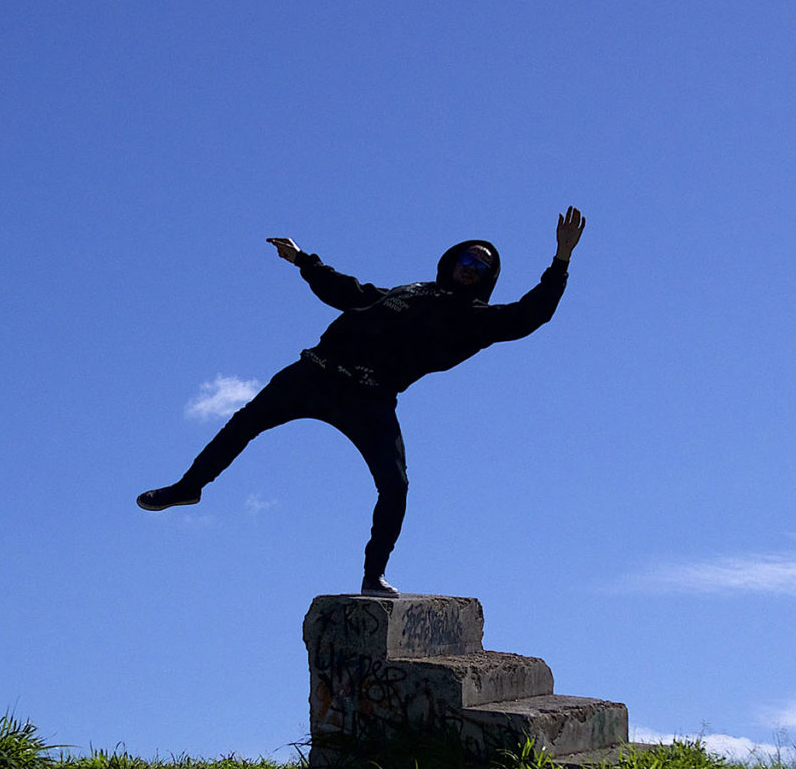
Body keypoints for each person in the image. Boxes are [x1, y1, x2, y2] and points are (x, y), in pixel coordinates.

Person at [139, 206, 587, 596]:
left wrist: (561, 259)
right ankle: (189, 487)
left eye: (483, 267)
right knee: (244, 422)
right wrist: (302, 260)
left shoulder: (475, 320)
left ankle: (374, 575)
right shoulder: (409, 291)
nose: (474, 267)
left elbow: (530, 315)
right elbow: (349, 293)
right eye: (470, 257)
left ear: (487, 280)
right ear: (452, 260)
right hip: (315, 372)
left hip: (368, 398)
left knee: (395, 487)